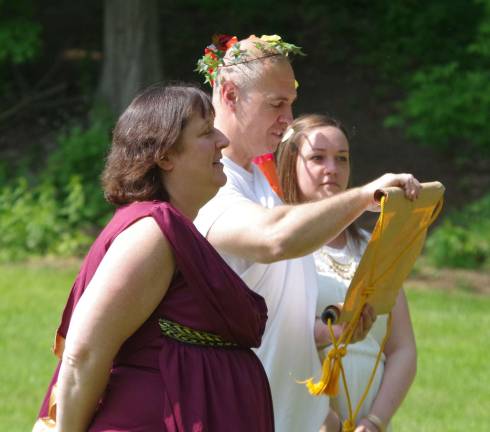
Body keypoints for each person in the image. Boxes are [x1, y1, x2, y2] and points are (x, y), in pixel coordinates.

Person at [194, 34, 421, 432]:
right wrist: (364, 196)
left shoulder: (262, 187)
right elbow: (274, 238)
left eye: (291, 103)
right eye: (276, 104)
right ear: (229, 95)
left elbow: (277, 315)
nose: (287, 117)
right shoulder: (208, 186)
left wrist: (327, 341)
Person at [33, 84, 274, 432]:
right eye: (206, 132)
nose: (222, 139)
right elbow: (84, 352)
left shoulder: (171, 231)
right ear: (164, 156)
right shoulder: (152, 232)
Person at [276, 113, 418, 432]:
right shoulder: (280, 247)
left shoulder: (374, 247)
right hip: (304, 420)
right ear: (290, 163)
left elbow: (402, 349)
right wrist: (327, 420)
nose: (332, 169)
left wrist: (375, 421)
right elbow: (276, 341)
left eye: (342, 158)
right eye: (317, 158)